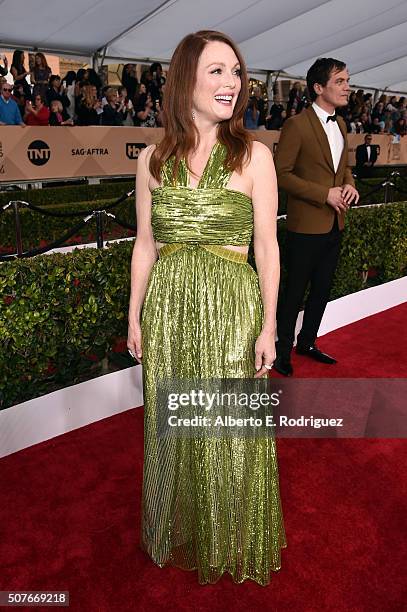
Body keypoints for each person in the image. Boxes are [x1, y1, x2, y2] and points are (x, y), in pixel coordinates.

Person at [127, 30, 286, 585]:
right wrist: (134, 315)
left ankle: (227, 532)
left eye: (236, 72)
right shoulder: (151, 159)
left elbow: (267, 246)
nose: (231, 83)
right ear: (184, 79)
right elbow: (144, 244)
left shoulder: (254, 156)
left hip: (231, 309)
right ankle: (173, 527)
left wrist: (269, 325)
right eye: (216, 71)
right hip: (168, 307)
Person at [274, 57, 359, 377]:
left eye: (347, 80)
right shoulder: (297, 125)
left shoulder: (341, 124)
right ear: (318, 87)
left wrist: (349, 185)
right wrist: (323, 193)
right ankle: (282, 351)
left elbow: (344, 168)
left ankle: (307, 342)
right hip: (305, 226)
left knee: (322, 289)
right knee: (294, 291)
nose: (347, 87)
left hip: (335, 222)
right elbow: (281, 174)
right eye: (340, 81)